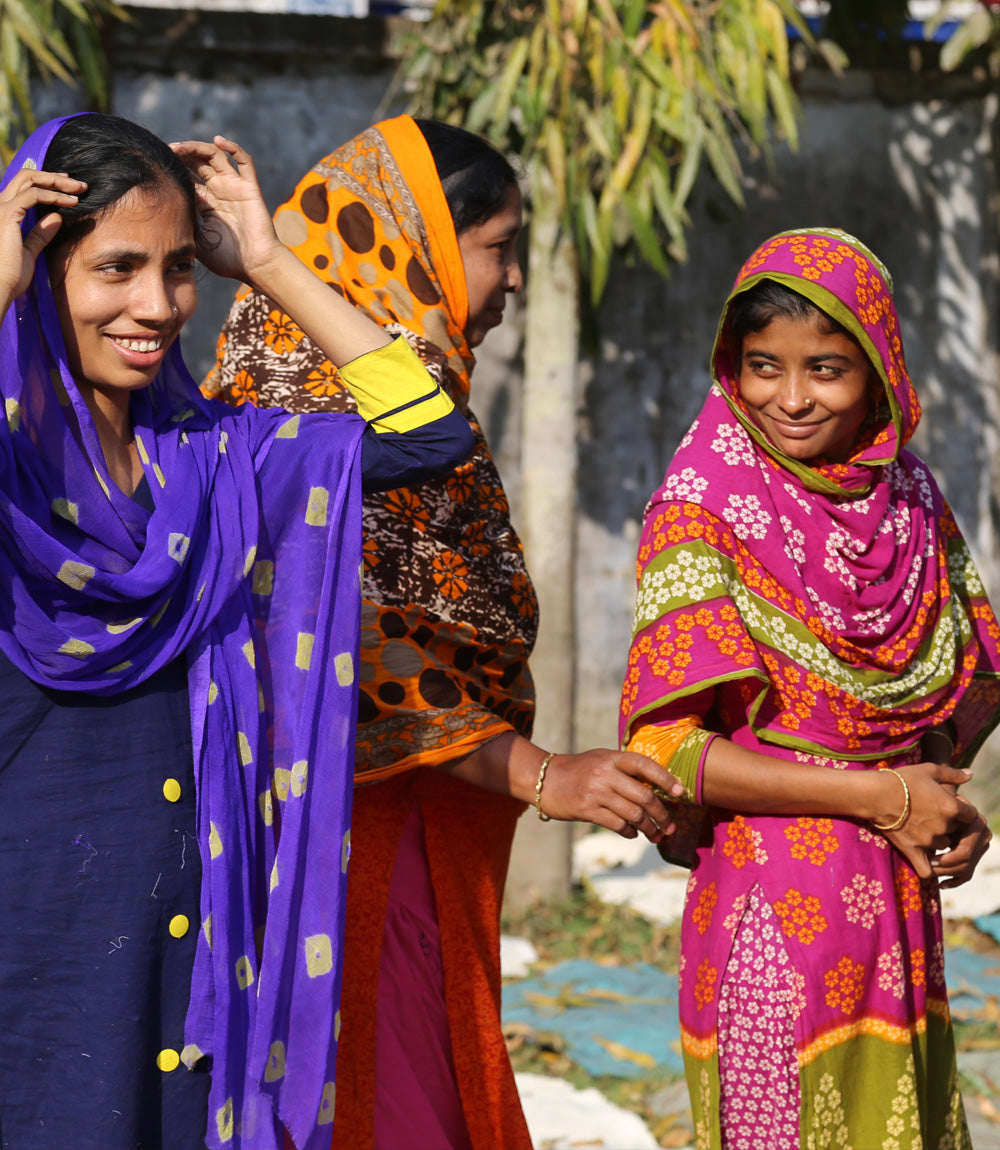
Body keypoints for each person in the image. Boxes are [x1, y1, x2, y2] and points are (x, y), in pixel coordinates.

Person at [206, 114, 685, 1150]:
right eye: (498, 246)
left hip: (418, 828)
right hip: (345, 841)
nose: (513, 278)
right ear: (416, 239)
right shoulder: (300, 394)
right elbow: (352, 641)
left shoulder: (384, 380)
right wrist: (535, 770)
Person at [0, 111, 477, 1150]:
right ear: (39, 276)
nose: (157, 305)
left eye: (178, 270)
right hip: (32, 942)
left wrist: (267, 261)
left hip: (189, 951)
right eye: (114, 268)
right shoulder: (14, 486)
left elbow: (430, 433)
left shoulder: (218, 460)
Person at [619, 228, 999, 1149]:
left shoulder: (907, 494)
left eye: (825, 368)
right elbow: (666, 746)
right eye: (762, 367)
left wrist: (937, 791)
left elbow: (962, 671)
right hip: (769, 908)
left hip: (899, 901)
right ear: (730, 366)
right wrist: (882, 796)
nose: (790, 399)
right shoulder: (702, 503)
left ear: (879, 370)